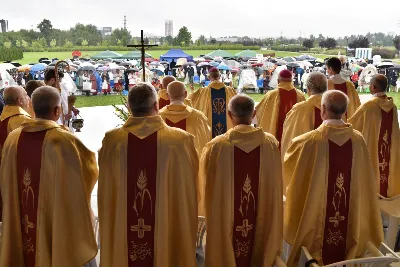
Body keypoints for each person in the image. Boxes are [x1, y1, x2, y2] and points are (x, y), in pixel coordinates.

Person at [98, 83, 199, 267]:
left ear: (129, 107)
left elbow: (106, 188)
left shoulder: (112, 141)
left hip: (124, 233)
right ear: (156, 106)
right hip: (167, 228)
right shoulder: (181, 141)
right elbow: (190, 188)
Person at [0, 86, 98, 267]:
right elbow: (89, 172)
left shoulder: (13, 138)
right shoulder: (64, 139)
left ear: (32, 106)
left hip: (23, 217)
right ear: (57, 110)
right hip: (56, 218)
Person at [283, 90, 383, 267]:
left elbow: (291, 177)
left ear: (322, 109)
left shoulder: (308, 141)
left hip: (313, 228)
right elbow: (365, 181)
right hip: (350, 222)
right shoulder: (358, 140)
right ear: (345, 112)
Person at [200, 94, 282, 266]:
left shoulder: (216, 147)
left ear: (229, 115)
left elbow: (206, 185)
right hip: (261, 218)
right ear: (254, 114)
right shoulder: (271, 144)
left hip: (226, 217)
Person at [349, 74, 400, 197]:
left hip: (371, 152)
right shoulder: (392, 107)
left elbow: (352, 126)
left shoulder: (368, 107)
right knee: (386, 175)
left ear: (373, 87)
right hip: (389, 154)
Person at [281, 72, 327, 182]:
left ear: (308, 88)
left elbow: (289, 140)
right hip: (327, 164)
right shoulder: (333, 108)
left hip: (304, 165)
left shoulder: (299, 109)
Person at [255, 69, 305, 146]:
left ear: (278, 81)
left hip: (275, 136)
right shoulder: (300, 95)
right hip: (294, 135)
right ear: (292, 81)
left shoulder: (271, 95)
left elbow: (260, 111)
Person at [159, 81, 211, 155]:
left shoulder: (158, 117)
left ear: (167, 95)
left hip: (164, 164)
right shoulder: (199, 117)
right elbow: (204, 144)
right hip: (190, 164)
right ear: (186, 94)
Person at [188, 67, 237, 138]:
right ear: (220, 76)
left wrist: (192, 91)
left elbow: (191, 101)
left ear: (208, 77)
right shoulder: (230, 90)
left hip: (210, 128)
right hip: (227, 126)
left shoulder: (203, 91)